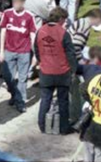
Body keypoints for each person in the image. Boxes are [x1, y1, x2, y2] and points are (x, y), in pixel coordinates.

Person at [36, 7, 76, 135]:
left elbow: (36, 50)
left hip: (46, 71)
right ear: (60, 19)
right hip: (62, 72)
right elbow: (70, 54)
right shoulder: (64, 33)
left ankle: (42, 125)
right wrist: (73, 70)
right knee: (63, 101)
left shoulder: (40, 31)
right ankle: (64, 128)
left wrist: (41, 61)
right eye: (64, 19)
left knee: (45, 99)